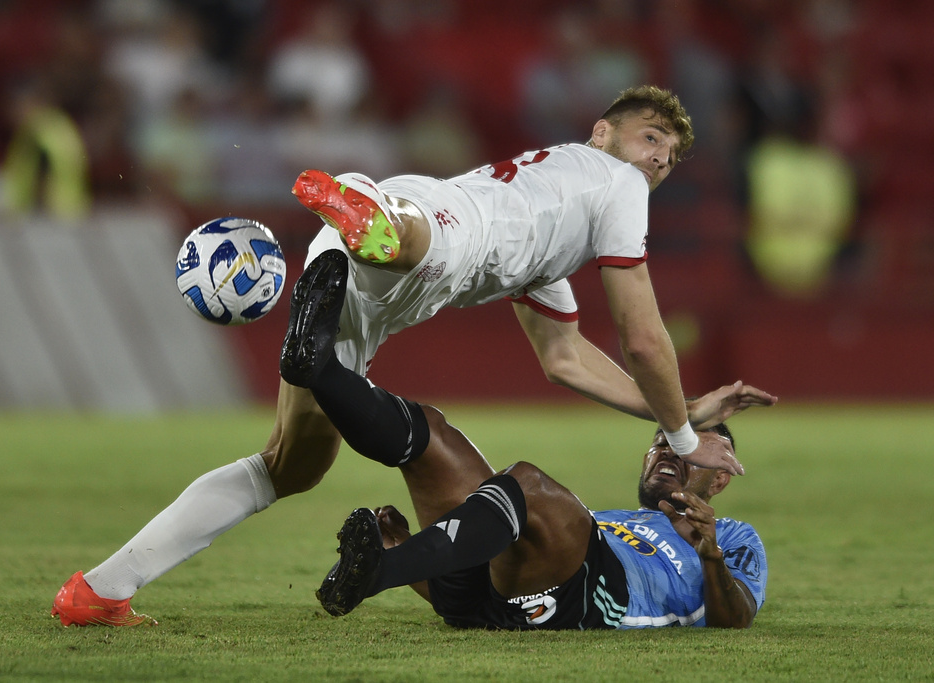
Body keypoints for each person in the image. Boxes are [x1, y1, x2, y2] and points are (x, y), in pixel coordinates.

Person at [51, 85, 776, 627]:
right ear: (602, 133)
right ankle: (368, 216)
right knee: (420, 239)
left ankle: (100, 590)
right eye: (651, 137)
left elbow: (565, 358)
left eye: (670, 155)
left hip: (365, 276)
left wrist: (681, 408)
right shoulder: (614, 183)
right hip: (429, 232)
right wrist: (685, 439)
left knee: (289, 466)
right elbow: (643, 338)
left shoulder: (554, 228)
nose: (659, 158)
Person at [279, 255, 766, 628]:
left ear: (720, 479)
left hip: (601, 600)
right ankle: (318, 369)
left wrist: (711, 557)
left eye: (690, 449)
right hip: (506, 600)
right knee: (433, 432)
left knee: (526, 485)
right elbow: (499, 597)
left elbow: (737, 617)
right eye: (663, 442)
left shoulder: (734, 538)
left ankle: (380, 569)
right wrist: (413, 551)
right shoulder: (614, 520)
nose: (669, 452)